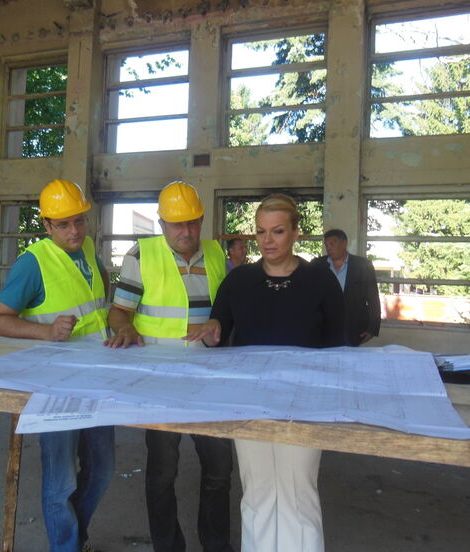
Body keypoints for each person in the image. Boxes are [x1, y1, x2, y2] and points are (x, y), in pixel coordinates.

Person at [187, 193, 345, 552]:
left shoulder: (320, 280)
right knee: (257, 493)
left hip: (304, 402)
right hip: (250, 400)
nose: (267, 240)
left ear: (296, 233)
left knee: (298, 493)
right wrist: (211, 332)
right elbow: (218, 330)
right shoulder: (239, 281)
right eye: (261, 232)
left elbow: (339, 346)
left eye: (277, 231)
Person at [106, 181, 234, 552]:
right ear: (162, 223)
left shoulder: (216, 254)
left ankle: (216, 546)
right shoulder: (141, 254)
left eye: (192, 222)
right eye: (177, 224)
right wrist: (125, 328)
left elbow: (227, 311)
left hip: (209, 379)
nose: (186, 231)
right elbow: (119, 311)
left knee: (219, 470)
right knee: (163, 472)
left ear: (202, 220)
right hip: (159, 381)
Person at [0, 179, 114, 552]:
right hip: (55, 384)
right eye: (63, 224)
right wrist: (46, 332)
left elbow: (101, 296)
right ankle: (66, 546)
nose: (74, 231)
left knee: (102, 470)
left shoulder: (88, 249)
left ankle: (76, 537)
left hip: (98, 377)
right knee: (61, 482)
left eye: (79, 221)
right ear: (46, 225)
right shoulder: (33, 263)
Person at [311, 228, 381, 346]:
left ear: (344, 243)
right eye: (326, 245)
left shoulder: (363, 265)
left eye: (332, 244)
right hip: (324, 327)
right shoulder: (317, 265)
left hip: (354, 327)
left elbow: (373, 298)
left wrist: (372, 328)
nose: (328, 248)